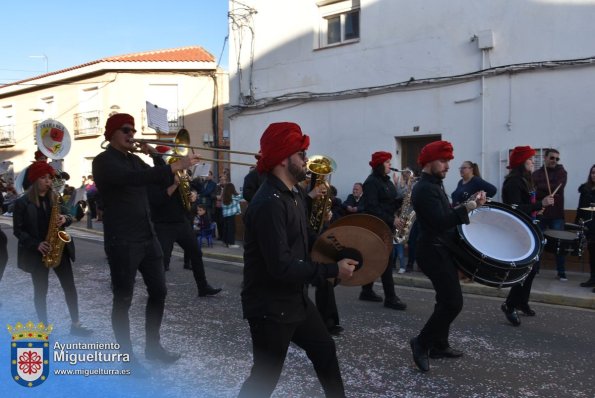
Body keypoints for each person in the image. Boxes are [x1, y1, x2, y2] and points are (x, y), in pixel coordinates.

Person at [239, 122, 357, 397]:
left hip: (295, 300)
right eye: (301, 153)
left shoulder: (294, 195)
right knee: (264, 379)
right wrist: (331, 270)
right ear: (283, 157)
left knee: (325, 349)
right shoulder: (269, 203)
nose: (307, 160)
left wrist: (341, 252)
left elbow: (306, 240)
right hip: (269, 307)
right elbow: (281, 266)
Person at [92, 113, 201, 370]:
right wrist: (173, 165)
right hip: (122, 239)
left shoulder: (135, 159)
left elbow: (160, 177)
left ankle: (153, 347)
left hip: (146, 236)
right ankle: (125, 357)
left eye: (133, 130)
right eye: (126, 130)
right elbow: (132, 180)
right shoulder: (103, 161)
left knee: (159, 292)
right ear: (111, 134)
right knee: (123, 299)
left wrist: (154, 154)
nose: (132, 134)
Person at [409, 140, 486, 372]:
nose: (447, 166)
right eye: (443, 161)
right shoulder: (424, 188)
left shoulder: (434, 184)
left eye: (448, 162)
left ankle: (439, 345)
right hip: (432, 251)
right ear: (429, 161)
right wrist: (469, 207)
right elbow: (441, 222)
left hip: (440, 247)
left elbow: (444, 214)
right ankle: (421, 343)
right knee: (453, 302)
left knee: (445, 300)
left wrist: (466, 205)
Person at [12, 161, 93, 336]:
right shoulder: (22, 203)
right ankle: (43, 328)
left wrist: (65, 219)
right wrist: (36, 244)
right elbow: (18, 230)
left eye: (49, 177)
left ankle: (76, 324)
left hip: (59, 249)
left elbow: (71, 215)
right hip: (37, 252)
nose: (48, 181)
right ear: (34, 180)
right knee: (41, 291)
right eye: (43, 177)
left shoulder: (56, 198)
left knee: (70, 287)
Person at [500, 146, 554, 326]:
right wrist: (540, 203)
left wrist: (537, 209)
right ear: (522, 162)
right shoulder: (514, 182)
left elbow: (526, 206)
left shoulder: (525, 180)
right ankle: (509, 305)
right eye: (530, 159)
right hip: (519, 231)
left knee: (532, 269)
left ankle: (522, 302)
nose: (533, 162)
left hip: (528, 227)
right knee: (525, 270)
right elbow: (514, 208)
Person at [148, 169, 222, 296]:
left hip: (181, 222)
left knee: (196, 253)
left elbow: (194, 189)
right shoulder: (158, 177)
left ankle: (202, 286)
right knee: (162, 260)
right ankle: (155, 290)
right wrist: (175, 185)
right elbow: (157, 200)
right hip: (164, 224)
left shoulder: (182, 177)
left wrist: (193, 194)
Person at [358, 151, 407, 310]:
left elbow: (390, 202)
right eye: (387, 162)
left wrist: (404, 198)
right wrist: (392, 219)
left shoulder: (387, 181)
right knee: (386, 258)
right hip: (376, 225)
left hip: (386, 224)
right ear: (379, 165)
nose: (390, 165)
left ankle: (366, 290)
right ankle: (390, 297)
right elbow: (372, 208)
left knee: (374, 258)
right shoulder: (371, 182)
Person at [532, 149, 568, 281]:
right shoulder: (537, 173)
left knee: (560, 243)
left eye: (557, 159)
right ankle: (535, 270)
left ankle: (561, 272)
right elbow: (533, 190)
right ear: (545, 158)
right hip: (541, 212)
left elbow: (558, 186)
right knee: (538, 242)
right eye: (552, 158)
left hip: (556, 213)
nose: (555, 161)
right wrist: (544, 194)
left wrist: (541, 190)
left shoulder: (561, 172)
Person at [577, 164, 595, 290]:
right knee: (592, 254)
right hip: (590, 226)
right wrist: (578, 222)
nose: (594, 175)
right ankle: (592, 279)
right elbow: (581, 208)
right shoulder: (585, 189)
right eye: (593, 172)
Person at [221, 182, 242, 248]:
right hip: (231, 215)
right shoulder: (234, 196)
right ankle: (231, 244)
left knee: (226, 228)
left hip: (225, 215)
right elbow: (242, 196)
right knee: (231, 229)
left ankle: (225, 242)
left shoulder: (224, 197)